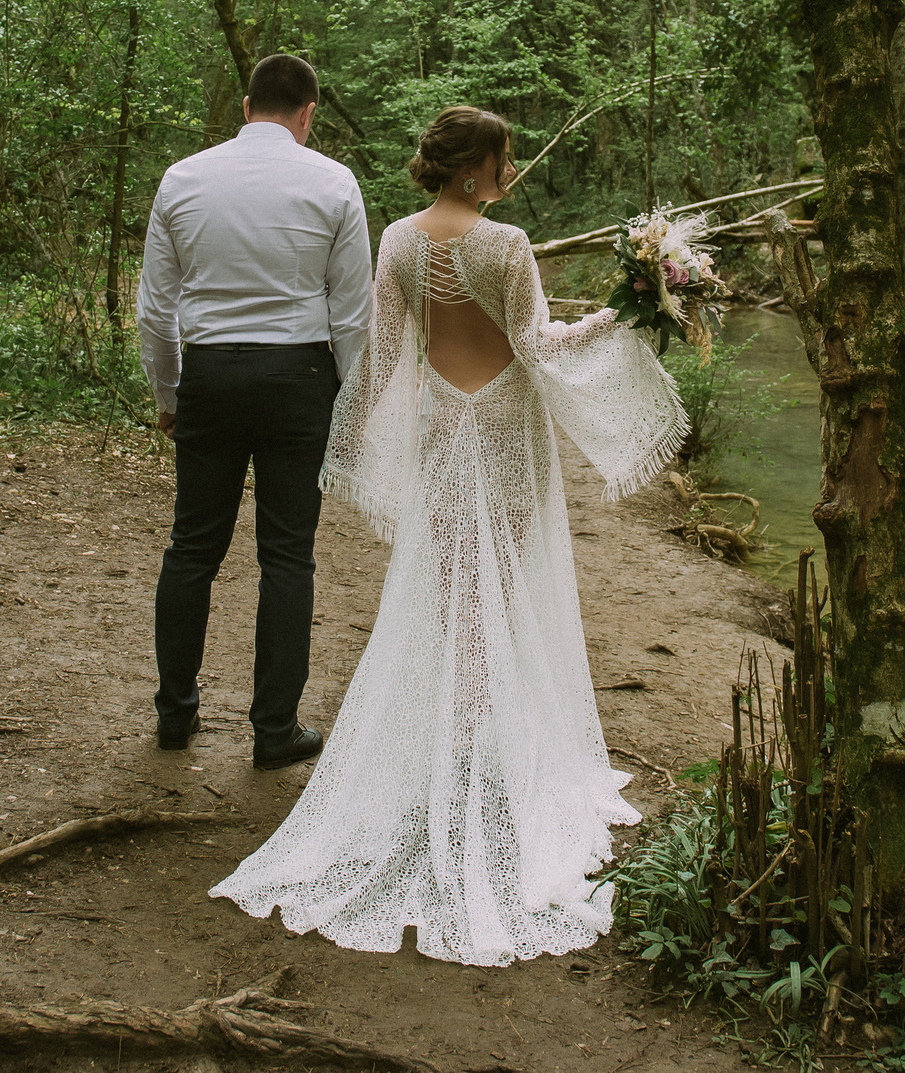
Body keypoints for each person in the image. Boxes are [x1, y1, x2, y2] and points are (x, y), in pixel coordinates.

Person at [212, 106, 688, 966]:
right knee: (501, 580)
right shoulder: (506, 245)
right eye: (503, 157)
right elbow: (537, 345)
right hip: (504, 425)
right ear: (473, 167)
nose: (510, 169)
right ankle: (479, 738)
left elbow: (386, 351)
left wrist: (351, 433)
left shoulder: (398, 239)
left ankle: (459, 734)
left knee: (448, 582)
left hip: (441, 420)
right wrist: (618, 314)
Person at [138, 54, 372, 772]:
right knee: (287, 554)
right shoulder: (334, 182)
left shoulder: (183, 178)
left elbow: (156, 310)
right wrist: (350, 404)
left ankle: (175, 714)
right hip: (298, 378)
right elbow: (352, 315)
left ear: (246, 107)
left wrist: (170, 394)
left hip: (210, 373)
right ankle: (274, 729)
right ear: (308, 113)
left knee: (191, 547)